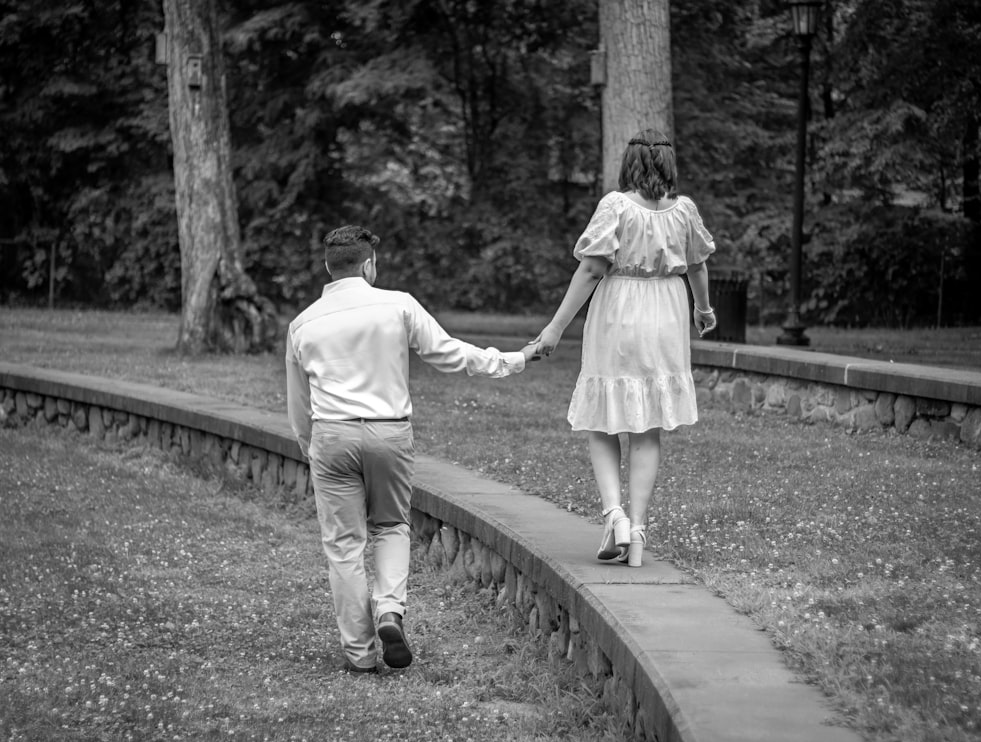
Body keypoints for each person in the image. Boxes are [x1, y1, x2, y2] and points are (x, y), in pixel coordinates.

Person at [286, 225, 538, 674]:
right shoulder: (397, 305)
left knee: (343, 547)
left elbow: (298, 406)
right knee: (391, 526)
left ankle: (360, 655)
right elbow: (448, 353)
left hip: (331, 435)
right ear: (368, 265)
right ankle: (389, 611)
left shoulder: (302, 324)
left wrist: (312, 447)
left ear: (329, 268)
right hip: (389, 433)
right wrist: (510, 361)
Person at [531, 128, 717, 568]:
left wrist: (555, 328)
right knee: (647, 427)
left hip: (620, 310)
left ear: (629, 164)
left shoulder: (616, 206)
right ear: (669, 164)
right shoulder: (684, 210)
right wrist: (703, 310)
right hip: (666, 312)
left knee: (603, 419)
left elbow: (593, 268)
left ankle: (614, 513)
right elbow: (697, 266)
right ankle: (637, 530)